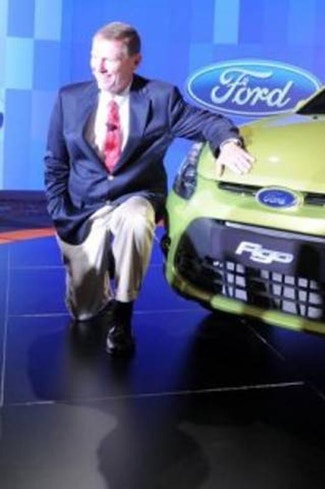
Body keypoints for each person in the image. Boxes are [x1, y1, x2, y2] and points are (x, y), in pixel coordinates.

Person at [44, 21, 255, 357]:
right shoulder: (68, 99)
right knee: (84, 313)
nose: (98, 67)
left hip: (135, 196)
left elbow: (208, 122)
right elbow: (55, 163)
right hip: (83, 207)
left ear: (135, 61)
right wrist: (59, 211)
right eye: (94, 57)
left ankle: (123, 316)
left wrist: (227, 142)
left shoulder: (160, 98)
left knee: (134, 220)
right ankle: (103, 270)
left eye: (109, 59)